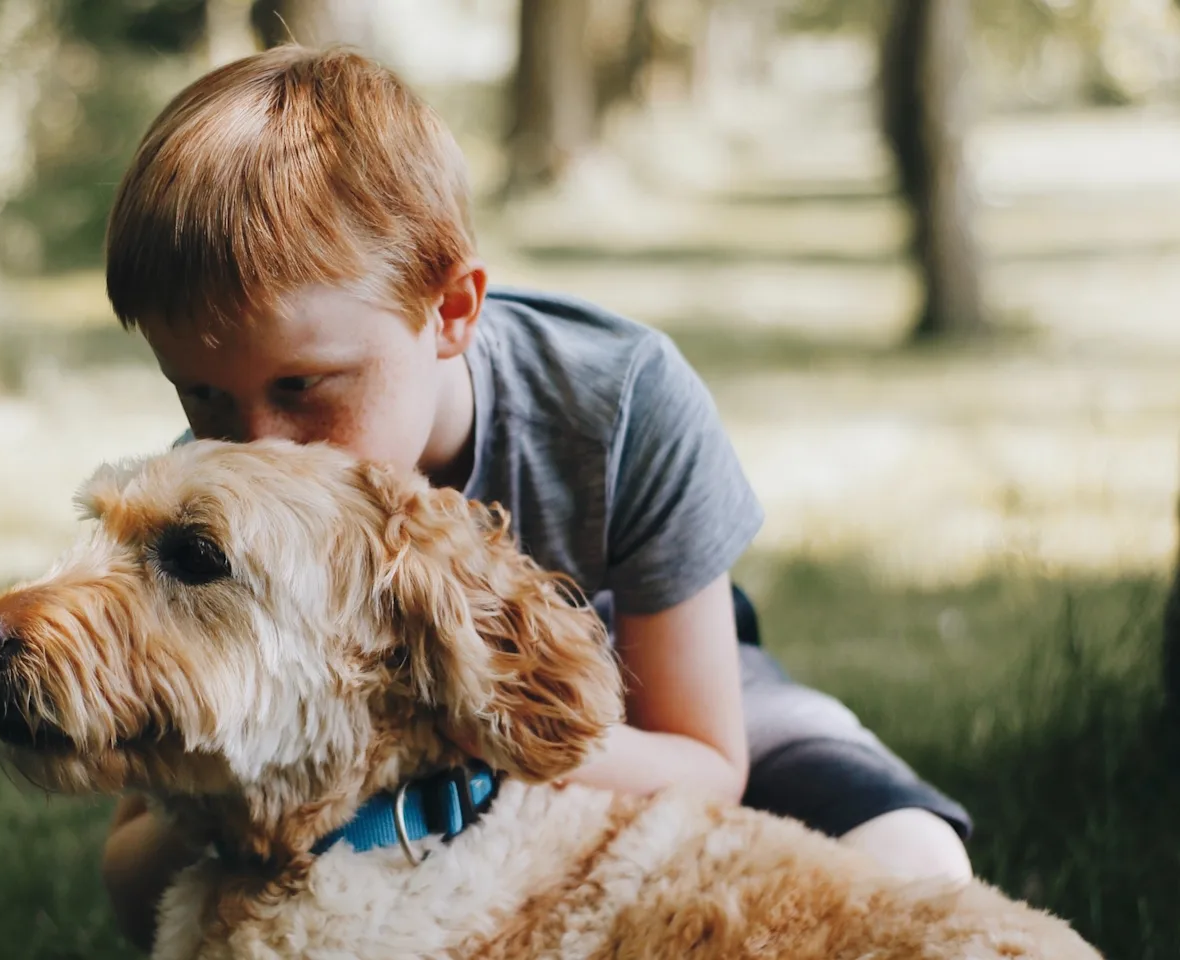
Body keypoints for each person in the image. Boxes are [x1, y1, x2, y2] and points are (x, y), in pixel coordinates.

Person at [96, 44, 973, 950]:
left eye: (303, 387)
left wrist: (471, 727)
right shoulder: (212, 512)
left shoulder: (619, 401)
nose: (254, 447)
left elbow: (708, 762)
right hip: (367, 778)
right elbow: (132, 871)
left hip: (652, 698)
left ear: (451, 311)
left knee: (916, 859)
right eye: (201, 396)